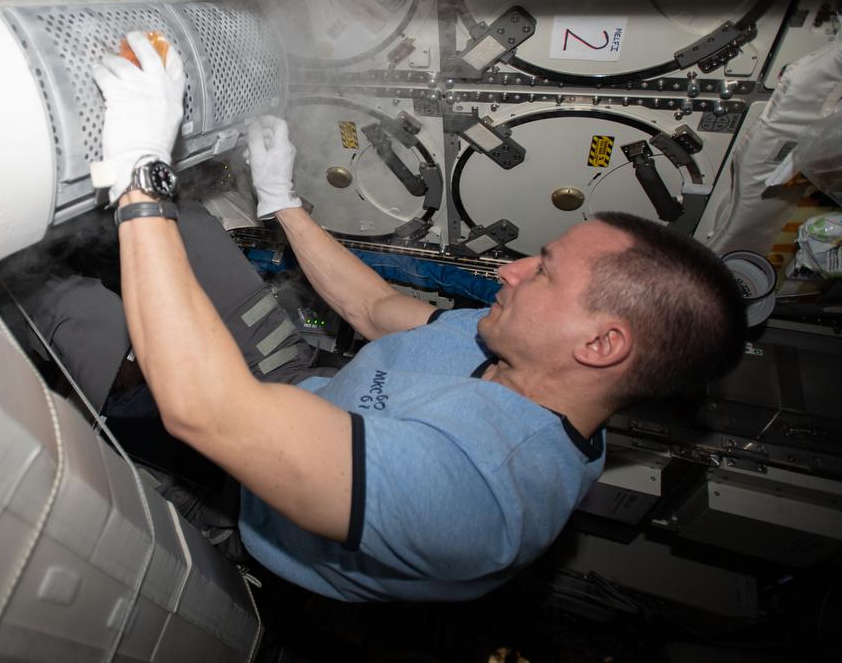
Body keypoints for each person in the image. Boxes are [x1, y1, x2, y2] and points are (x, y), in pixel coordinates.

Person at [88, 31, 747, 602]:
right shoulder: (514, 351)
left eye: (543, 270)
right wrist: (281, 199)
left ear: (601, 344)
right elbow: (373, 307)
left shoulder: (480, 499)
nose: (509, 271)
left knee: (77, 329)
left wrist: (139, 176)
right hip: (293, 387)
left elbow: (207, 409)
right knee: (193, 227)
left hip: (242, 486)